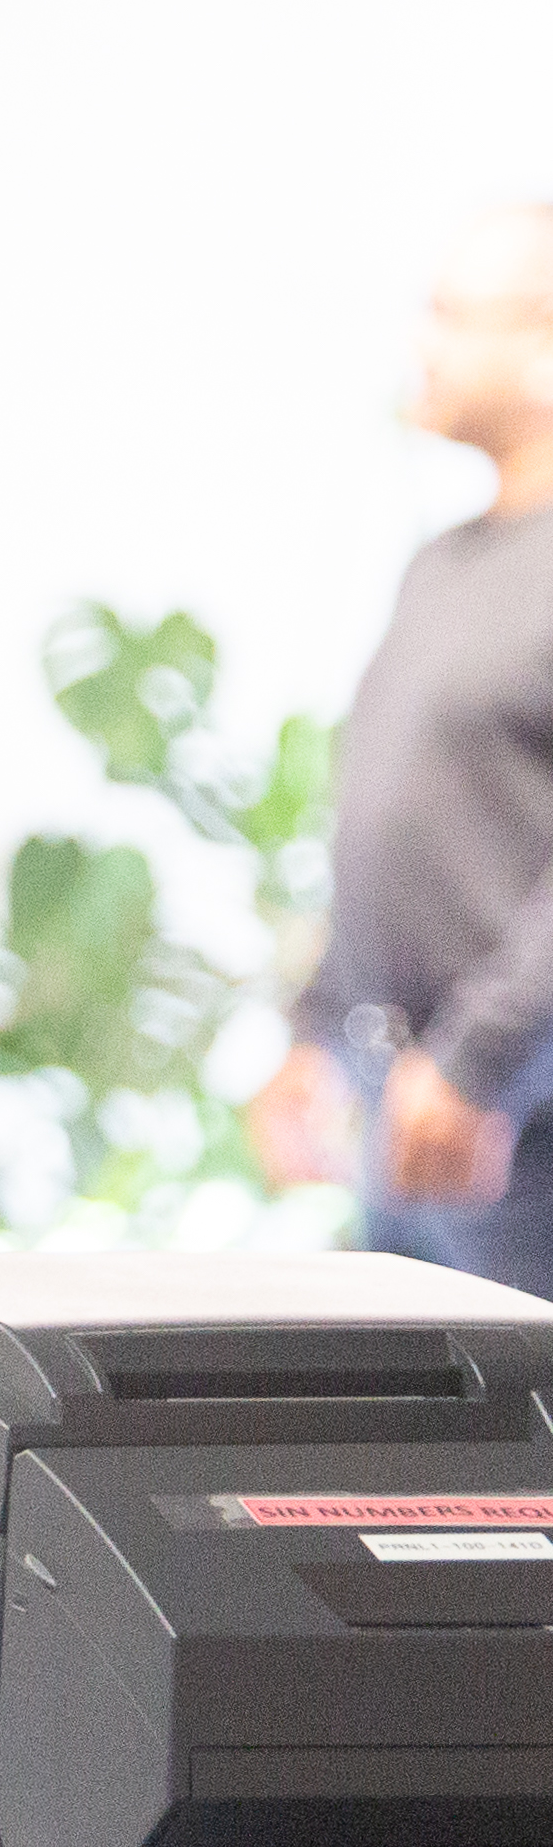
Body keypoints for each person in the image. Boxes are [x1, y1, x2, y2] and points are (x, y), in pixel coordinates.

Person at [247, 206, 553, 1286]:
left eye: (450, 314)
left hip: (514, 1135)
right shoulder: (443, 564)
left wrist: (482, 1068)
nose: (418, 344)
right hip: (407, 1119)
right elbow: (390, 819)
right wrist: (315, 1032)